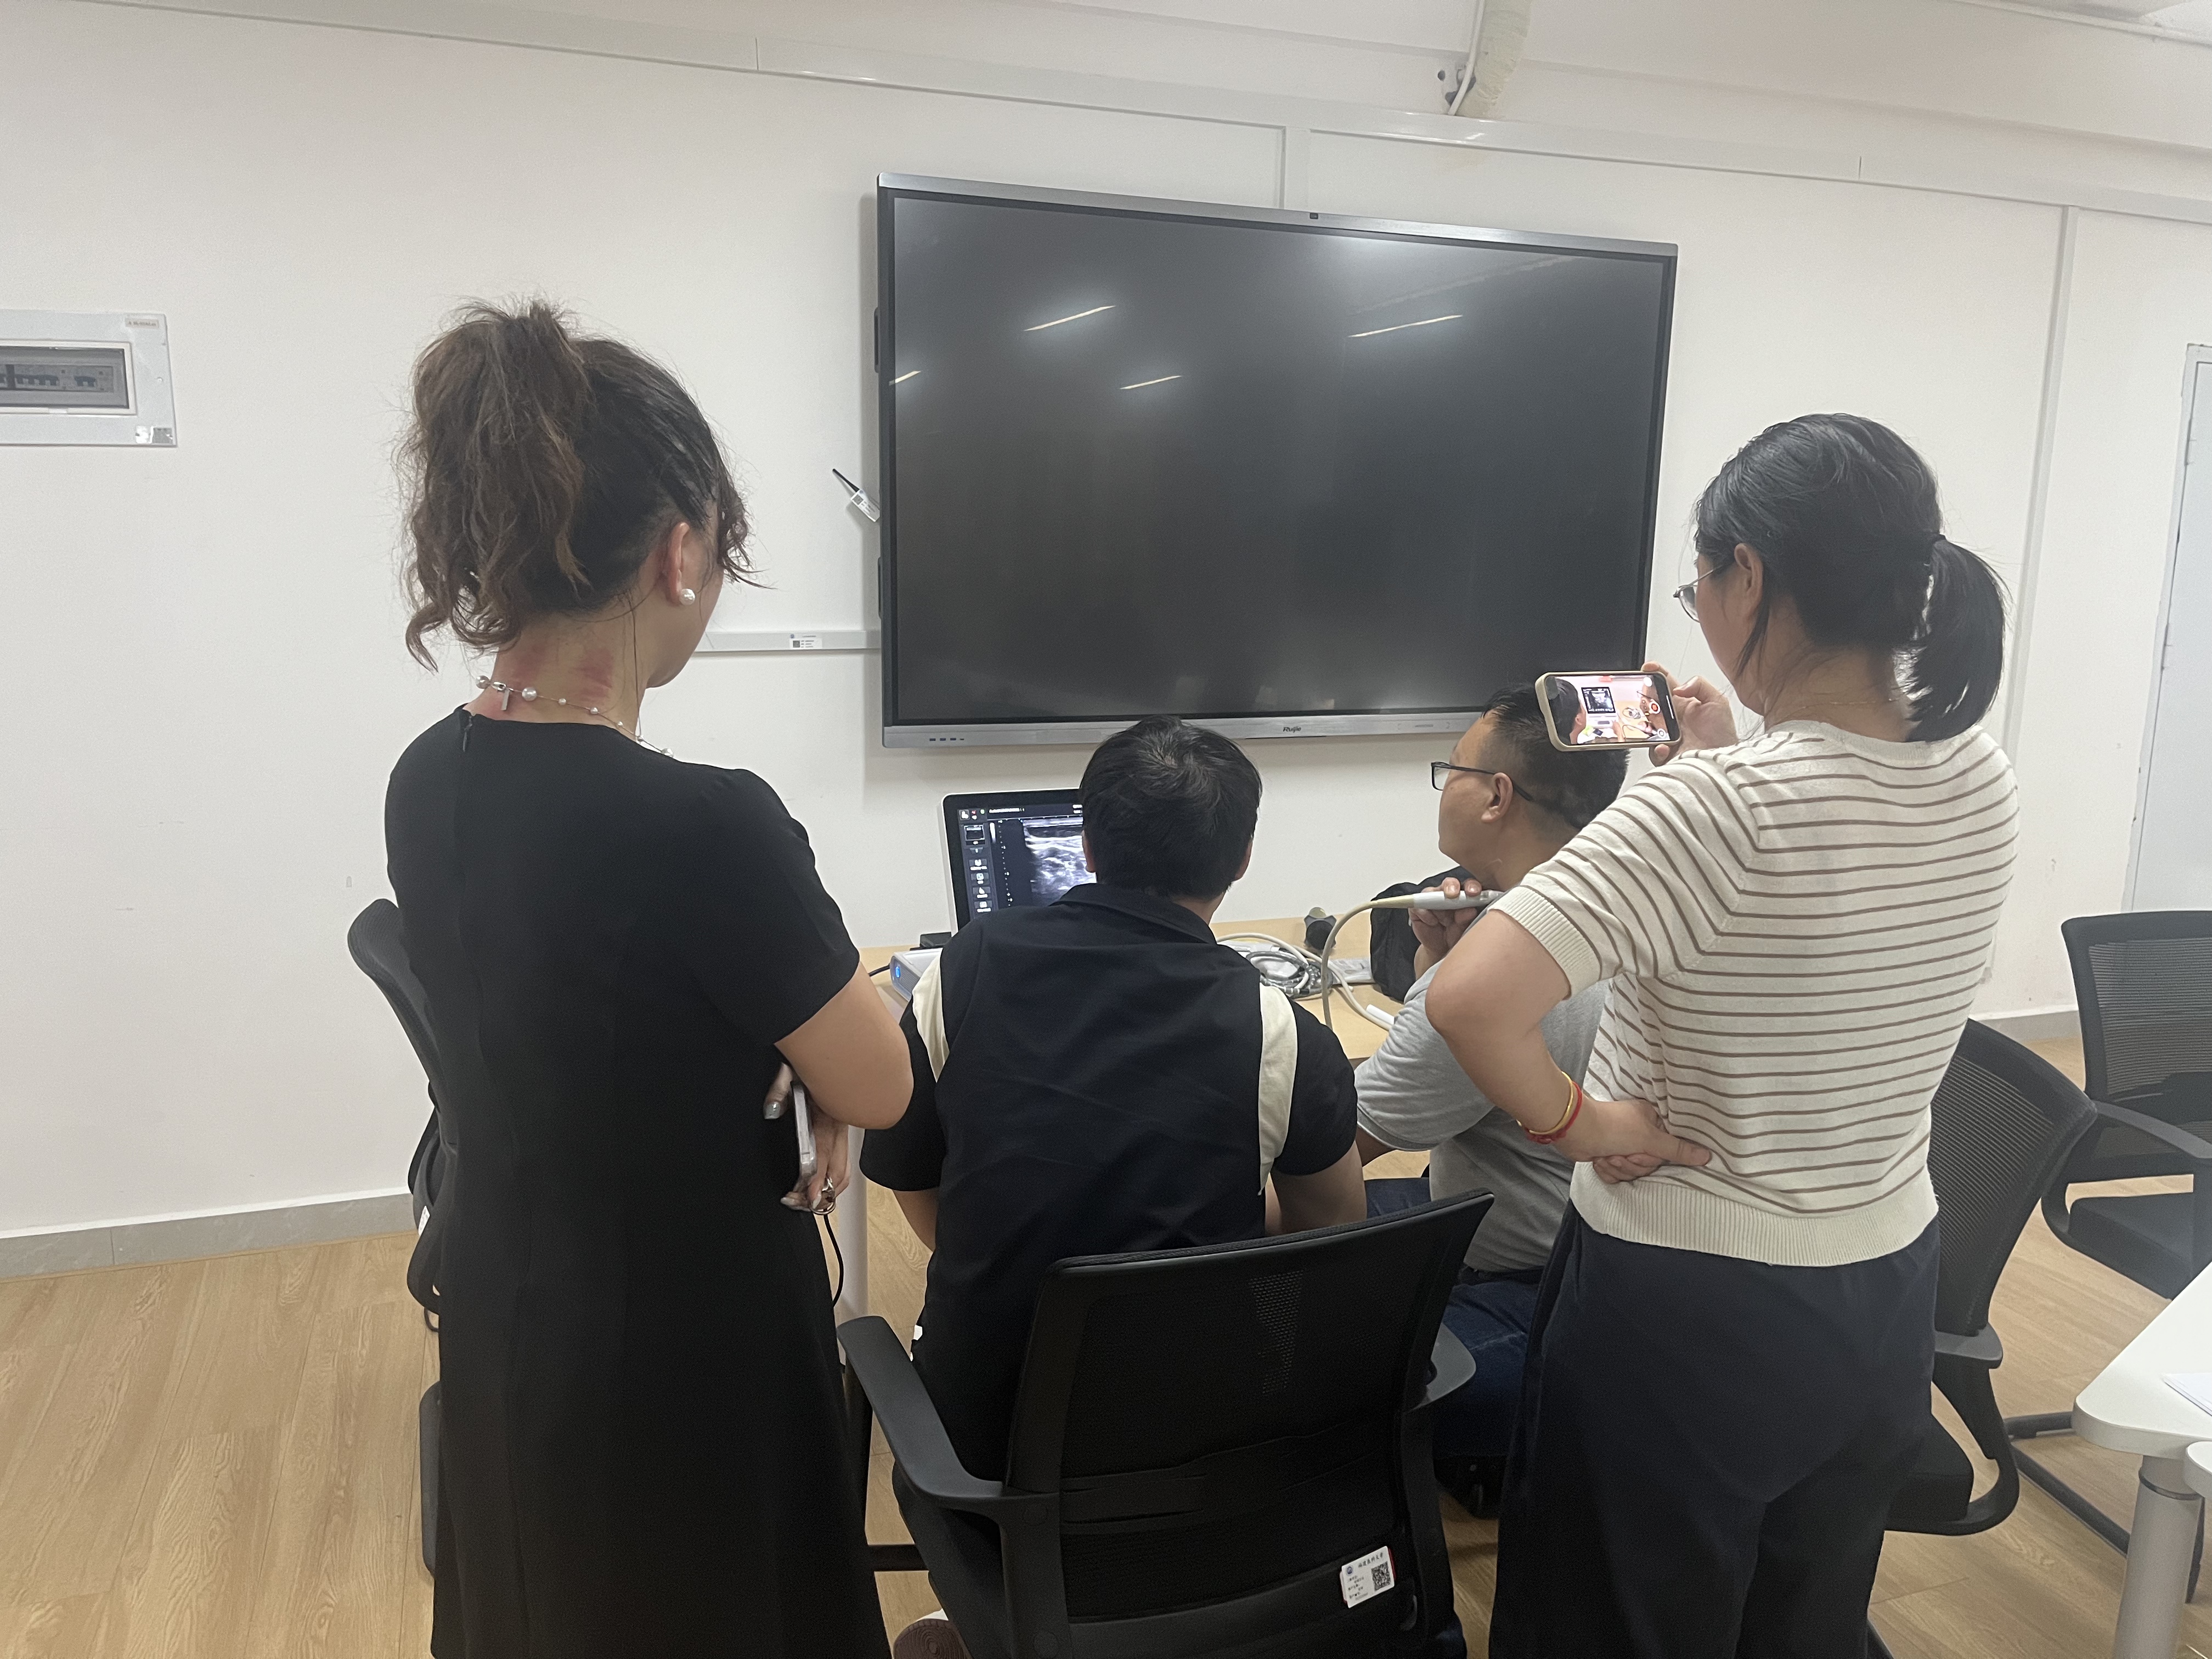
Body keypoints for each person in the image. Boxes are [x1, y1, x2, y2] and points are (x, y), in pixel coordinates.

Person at [1425, 414, 2016, 1658]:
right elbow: (1822, 899)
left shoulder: (1716, 810)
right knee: (1800, 1622)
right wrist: (1728, 758)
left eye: (1698, 587)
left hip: (1687, 1304)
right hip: (1882, 1291)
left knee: (1617, 1625)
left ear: (1750, 574)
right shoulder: (1978, 773)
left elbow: (1470, 999)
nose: (1699, 613)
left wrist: (1584, 1127)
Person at [383, 301, 911, 1659]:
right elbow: (882, 1082)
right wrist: (805, 1056)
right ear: (680, 550)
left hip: (506, 1283)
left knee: (540, 1600)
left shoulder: (428, 776)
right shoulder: (704, 823)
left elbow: (590, 1003)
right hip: (682, 1331)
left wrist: (772, 1045)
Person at [864, 716, 1365, 1483]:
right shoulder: (1282, 1032)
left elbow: (910, 1173)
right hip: (1208, 1458)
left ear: (1088, 847)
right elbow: (1328, 1234)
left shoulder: (962, 971)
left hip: (975, 1462)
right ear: (1242, 859)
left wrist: (1007, 1261)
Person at [1355, 685, 1627, 1518]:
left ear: (1497, 795)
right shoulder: (1621, 898)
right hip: (1611, 1264)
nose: (1446, 786)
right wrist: (1438, 969)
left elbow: (1337, 1146)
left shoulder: (1501, 965)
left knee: (1274, 1319)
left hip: (1538, 1289)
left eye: (1453, 770)